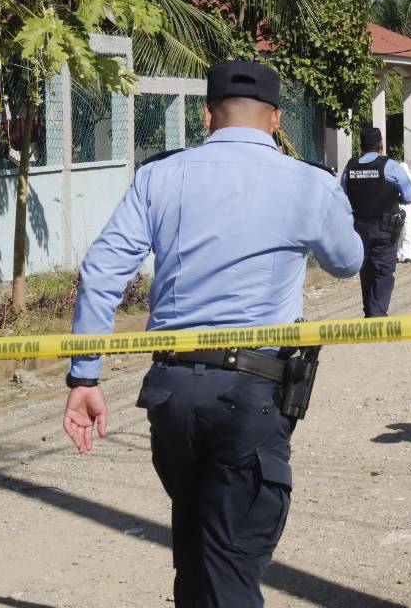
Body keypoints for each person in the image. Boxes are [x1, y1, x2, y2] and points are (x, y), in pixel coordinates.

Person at [62, 59, 364, 606]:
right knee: (230, 565)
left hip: (171, 394)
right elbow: (347, 262)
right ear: (276, 119)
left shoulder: (159, 176)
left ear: (206, 115)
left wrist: (85, 377)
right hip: (250, 396)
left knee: (196, 549)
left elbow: (103, 271)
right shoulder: (308, 183)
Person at [341, 127, 411, 316]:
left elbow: (342, 196)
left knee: (365, 271)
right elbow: (409, 196)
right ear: (380, 145)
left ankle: (370, 312)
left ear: (361, 146)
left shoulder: (351, 166)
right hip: (385, 228)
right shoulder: (390, 166)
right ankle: (377, 316)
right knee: (383, 272)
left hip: (359, 228)